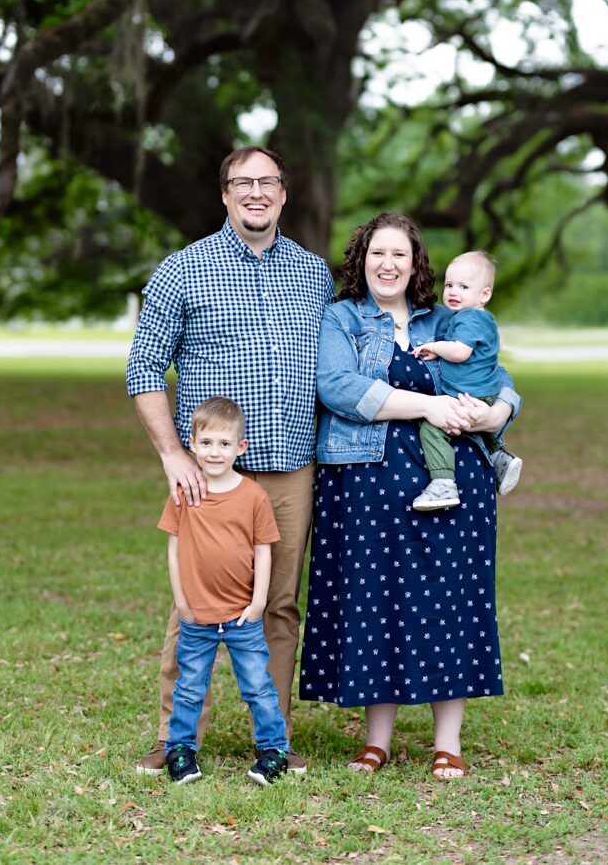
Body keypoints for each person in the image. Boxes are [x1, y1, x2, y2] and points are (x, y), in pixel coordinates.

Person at [127, 145, 335, 776]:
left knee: (277, 603)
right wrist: (171, 454)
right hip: (213, 475)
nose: (255, 193)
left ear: (283, 193)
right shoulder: (182, 271)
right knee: (193, 600)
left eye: (267, 182)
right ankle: (172, 735)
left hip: (293, 468)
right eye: (242, 182)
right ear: (224, 194)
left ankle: (272, 739)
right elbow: (143, 368)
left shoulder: (315, 274)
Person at [299, 212, 520, 779]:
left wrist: (496, 412)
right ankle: (378, 741)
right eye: (378, 253)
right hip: (367, 478)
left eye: (399, 254)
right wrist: (428, 405)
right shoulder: (341, 317)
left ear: (415, 263)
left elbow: (499, 376)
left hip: (451, 481)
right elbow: (338, 387)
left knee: (453, 600)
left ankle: (449, 743)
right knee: (379, 601)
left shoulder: (446, 319)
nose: (388, 264)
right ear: (361, 260)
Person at [159, 396, 289, 787]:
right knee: (189, 686)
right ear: (193, 445)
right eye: (207, 443)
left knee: (257, 686)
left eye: (225, 444)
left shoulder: (253, 496)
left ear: (240, 447)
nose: (215, 452)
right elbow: (174, 548)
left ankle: (274, 750)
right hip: (197, 614)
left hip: (241, 616)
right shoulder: (184, 492)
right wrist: (181, 601)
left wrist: (258, 602)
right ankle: (180, 750)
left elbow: (263, 550)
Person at [411, 250, 523, 512]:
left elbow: (460, 352)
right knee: (476, 428)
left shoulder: (469, 318)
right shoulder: (480, 318)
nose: (453, 291)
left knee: (432, 429)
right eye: (449, 284)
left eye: (463, 286)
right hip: (482, 391)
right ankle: (499, 458)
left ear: (484, 294)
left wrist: (437, 346)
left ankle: (443, 482)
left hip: (469, 394)